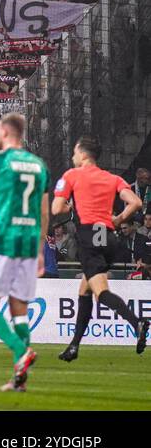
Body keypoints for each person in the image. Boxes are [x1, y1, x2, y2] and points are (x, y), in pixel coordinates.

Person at [0, 113, 49, 392]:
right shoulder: (39, 165)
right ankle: (19, 379)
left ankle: (20, 350)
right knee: (20, 310)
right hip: (28, 243)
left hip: (2, 239)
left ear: (4, 132)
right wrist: (40, 250)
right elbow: (43, 210)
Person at [51, 137, 149, 361]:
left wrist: (70, 204)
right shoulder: (111, 178)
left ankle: (137, 322)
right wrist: (119, 219)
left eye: (75, 152)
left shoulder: (72, 175)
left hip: (89, 237)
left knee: (100, 293)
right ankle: (74, 346)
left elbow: (57, 208)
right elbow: (135, 202)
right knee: (84, 291)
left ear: (83, 154)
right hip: (108, 237)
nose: (72, 157)